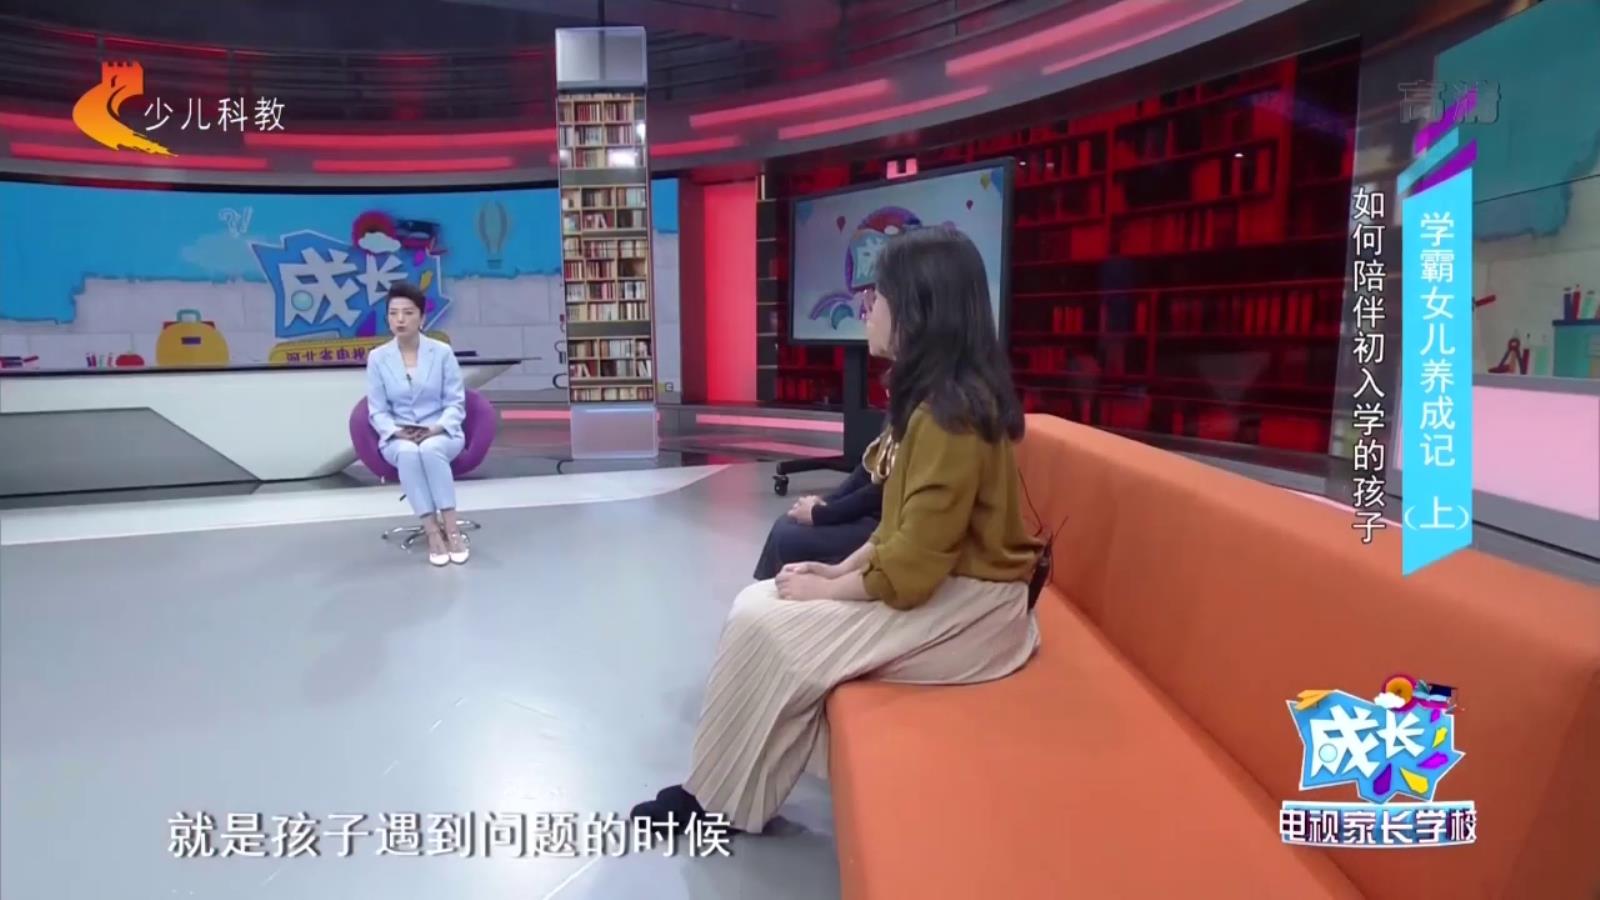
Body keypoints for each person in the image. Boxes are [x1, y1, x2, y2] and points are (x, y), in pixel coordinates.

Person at [633, 225, 1043, 835]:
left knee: (770, 624)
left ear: (918, 310)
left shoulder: (950, 418)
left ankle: (715, 803)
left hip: (978, 613)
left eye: (878, 295)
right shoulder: (931, 404)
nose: (866, 308)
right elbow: (899, 530)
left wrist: (828, 590)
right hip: (951, 585)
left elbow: (913, 568)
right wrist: (837, 570)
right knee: (759, 607)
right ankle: (716, 794)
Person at [365, 282, 471, 567]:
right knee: (410, 453)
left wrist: (436, 428)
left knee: (430, 449)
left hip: (442, 431)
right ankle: (432, 532)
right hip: (398, 436)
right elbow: (377, 411)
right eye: (393, 313)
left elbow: (456, 402)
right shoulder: (377, 358)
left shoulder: (442, 352)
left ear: (422, 318)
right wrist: (397, 432)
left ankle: (452, 529)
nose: (400, 319)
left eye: (408, 313)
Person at [752, 453, 885, 581]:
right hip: (868, 512)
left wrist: (821, 513)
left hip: (886, 526)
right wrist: (826, 502)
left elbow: (879, 492)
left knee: (790, 537)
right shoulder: (889, 441)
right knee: (788, 522)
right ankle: (773, 590)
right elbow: (867, 471)